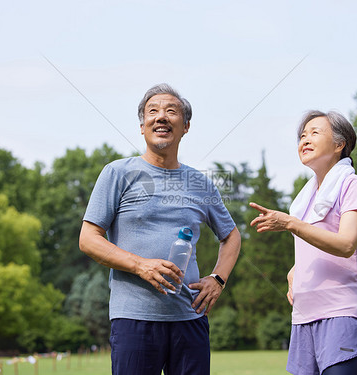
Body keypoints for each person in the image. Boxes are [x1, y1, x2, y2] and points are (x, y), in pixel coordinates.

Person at [79, 83, 241, 375]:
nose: (161, 117)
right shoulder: (118, 173)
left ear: (186, 126)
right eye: (152, 111)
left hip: (190, 319)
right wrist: (140, 265)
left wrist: (218, 278)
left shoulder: (200, 183)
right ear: (142, 127)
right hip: (134, 321)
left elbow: (231, 236)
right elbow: (89, 239)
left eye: (171, 111)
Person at [249, 110, 357, 375]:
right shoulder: (305, 200)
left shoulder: (352, 186)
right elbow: (313, 246)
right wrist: (295, 270)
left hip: (341, 312)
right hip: (304, 316)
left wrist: (290, 223)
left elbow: (345, 245)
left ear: (340, 144)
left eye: (315, 133)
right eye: (302, 135)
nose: (305, 139)